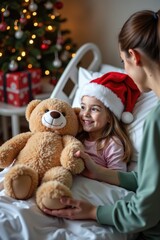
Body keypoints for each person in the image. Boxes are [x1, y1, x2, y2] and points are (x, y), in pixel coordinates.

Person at [43, 9, 160, 240]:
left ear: (134, 57)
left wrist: (93, 211)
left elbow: (145, 212)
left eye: (122, 61)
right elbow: (151, 180)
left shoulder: (156, 120)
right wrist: (99, 173)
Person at [76, 71, 140, 173]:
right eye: (83, 107)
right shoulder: (77, 135)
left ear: (109, 118)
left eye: (94, 109)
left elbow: (119, 178)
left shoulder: (112, 144)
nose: (86, 114)